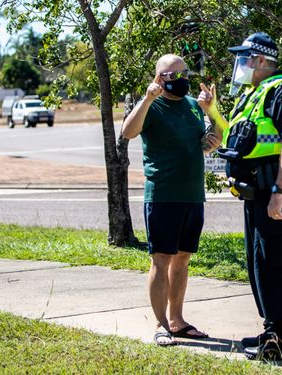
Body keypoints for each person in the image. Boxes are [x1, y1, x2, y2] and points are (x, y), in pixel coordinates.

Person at [198, 32, 282, 362]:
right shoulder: (254, 94)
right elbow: (230, 139)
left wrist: (279, 191)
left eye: (245, 58)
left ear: (261, 60)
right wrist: (211, 110)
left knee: (275, 264)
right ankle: (271, 329)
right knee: (259, 265)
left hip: (274, 195)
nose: (240, 64)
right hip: (254, 196)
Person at [122, 54, 220, 346]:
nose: (181, 79)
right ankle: (160, 325)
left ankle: (177, 321)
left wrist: (213, 117)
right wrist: (148, 99)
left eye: (184, 73)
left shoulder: (192, 106)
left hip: (192, 194)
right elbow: (128, 131)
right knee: (161, 259)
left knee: (183, 260)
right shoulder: (152, 106)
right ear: (159, 78)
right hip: (162, 195)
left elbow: (207, 142)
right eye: (172, 75)